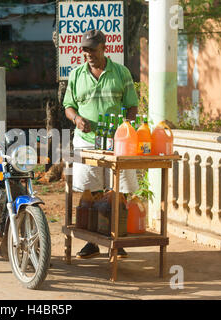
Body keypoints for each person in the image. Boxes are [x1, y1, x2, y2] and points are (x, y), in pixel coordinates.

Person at [63, 30, 139, 260]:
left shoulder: (121, 72)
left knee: (118, 192)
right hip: (85, 142)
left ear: (104, 47)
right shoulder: (76, 74)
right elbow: (68, 106)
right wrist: (76, 119)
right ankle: (91, 242)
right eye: (84, 49)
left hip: (116, 142)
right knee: (90, 192)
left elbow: (132, 107)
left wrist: (126, 129)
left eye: (92, 49)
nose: (87, 54)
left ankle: (117, 240)